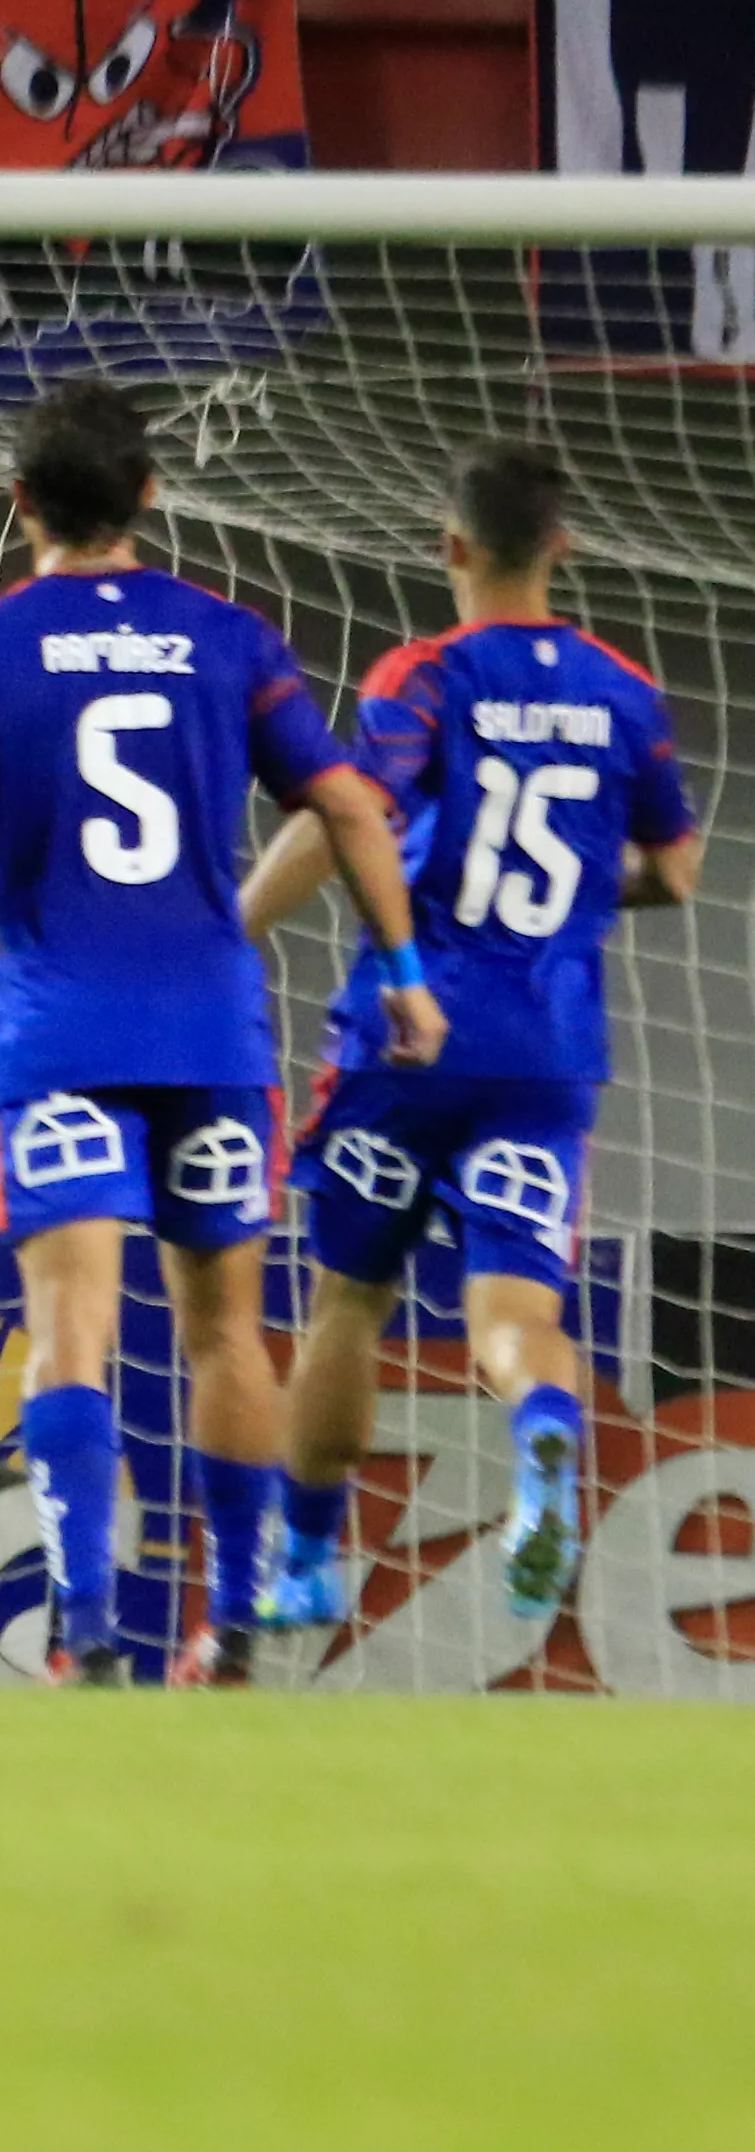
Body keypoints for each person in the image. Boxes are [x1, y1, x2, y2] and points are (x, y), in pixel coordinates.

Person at [0, 380, 445, 1686]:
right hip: (210, 1035)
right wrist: (399, 969)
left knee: (69, 1330)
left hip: (60, 1037)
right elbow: (346, 806)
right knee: (225, 1331)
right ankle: (234, 1621)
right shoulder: (228, 636)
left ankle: (84, 1629)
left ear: (18, 504)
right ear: (148, 494)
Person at [244, 441, 700, 1634]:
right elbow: (676, 871)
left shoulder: (425, 674)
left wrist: (233, 923)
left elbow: (349, 811)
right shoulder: (622, 689)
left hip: (406, 1041)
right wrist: (578, 894)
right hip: (545, 1056)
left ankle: (303, 1563)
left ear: (448, 545)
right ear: (562, 545)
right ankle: (541, 1434)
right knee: (513, 1318)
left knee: (348, 1299)